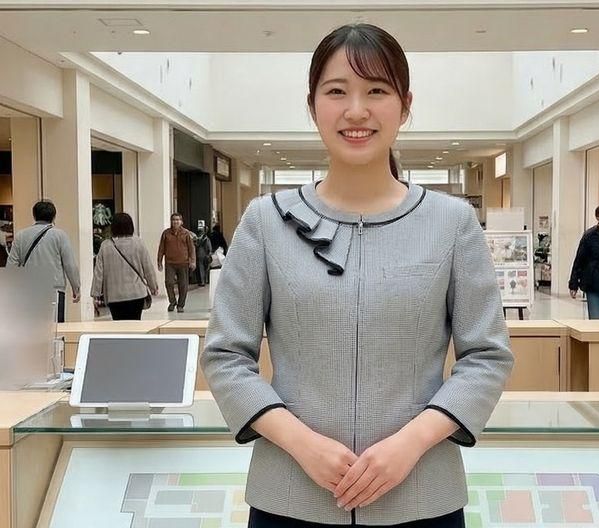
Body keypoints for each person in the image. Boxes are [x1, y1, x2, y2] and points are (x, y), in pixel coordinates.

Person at [202, 24, 513, 528]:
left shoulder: (452, 223)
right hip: (290, 498)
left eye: (377, 91)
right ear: (312, 106)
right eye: (336, 92)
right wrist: (303, 445)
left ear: (405, 105)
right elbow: (225, 355)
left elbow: (486, 356)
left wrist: (410, 444)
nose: (356, 110)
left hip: (421, 497)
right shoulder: (265, 221)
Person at [7, 200, 80, 322]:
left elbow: (11, 266)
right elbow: (70, 264)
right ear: (54, 216)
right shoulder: (60, 236)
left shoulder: (21, 236)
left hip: (28, 290)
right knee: (55, 327)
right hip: (54, 289)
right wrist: (76, 287)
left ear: (34, 215)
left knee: (31, 327)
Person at [90, 213, 158, 321]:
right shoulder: (138, 243)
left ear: (113, 227)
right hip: (136, 294)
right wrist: (153, 286)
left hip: (114, 296)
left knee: (119, 326)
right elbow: (147, 267)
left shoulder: (106, 246)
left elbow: (98, 273)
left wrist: (95, 293)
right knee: (135, 324)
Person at [157, 213, 195, 313]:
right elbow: (161, 248)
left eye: (178, 220)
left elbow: (191, 248)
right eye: (174, 220)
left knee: (183, 285)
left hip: (183, 263)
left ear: (181, 222)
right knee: (169, 282)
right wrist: (159, 261)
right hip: (170, 263)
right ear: (171, 221)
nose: (176, 222)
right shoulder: (166, 233)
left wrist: (193, 261)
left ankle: (180, 305)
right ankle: (172, 302)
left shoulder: (186, 233)